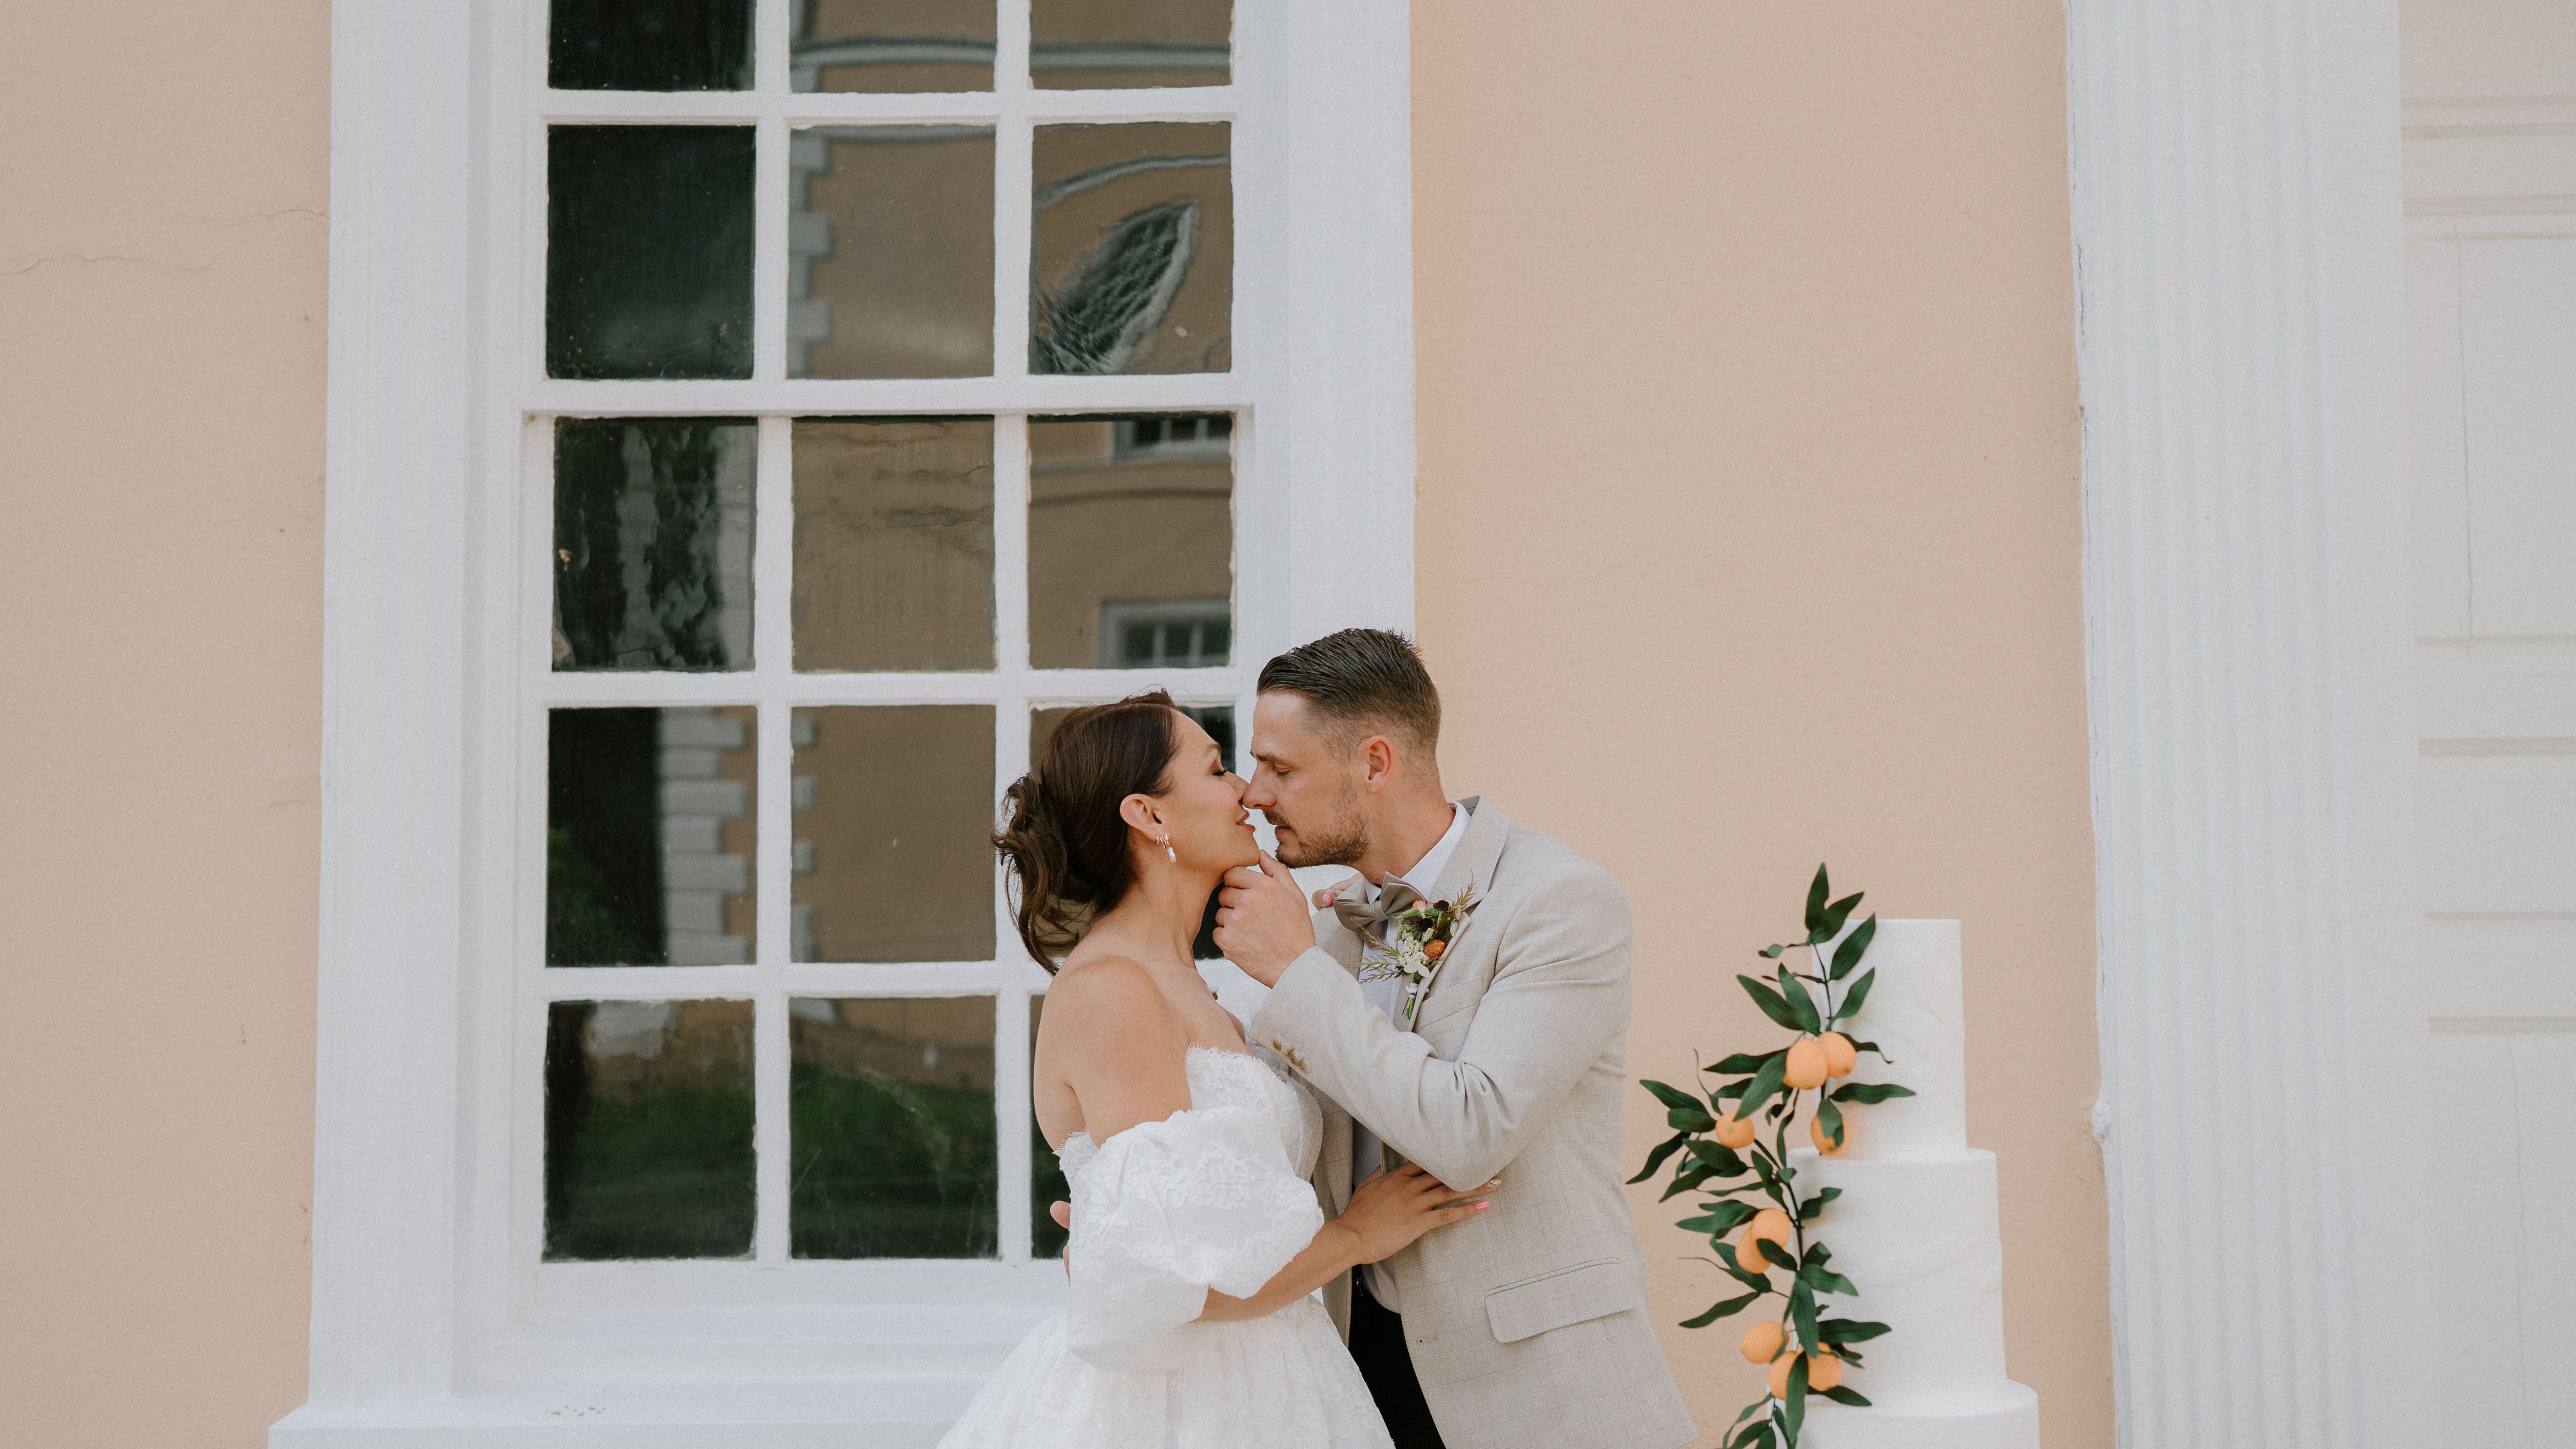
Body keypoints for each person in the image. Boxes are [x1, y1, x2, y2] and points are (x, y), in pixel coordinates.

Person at [939, 691, 1490, 1449]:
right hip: (1183, 1406)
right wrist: (1361, 1233)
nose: (1246, 792)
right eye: (1217, 769)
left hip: (1279, 1376)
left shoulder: (1202, 992)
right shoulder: (1112, 991)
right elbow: (1185, 1288)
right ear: (1148, 816)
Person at [1212, 629, 1697, 1449]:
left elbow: (1471, 1134)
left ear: (1374, 762)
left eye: (1281, 769)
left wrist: (1296, 973)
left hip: (1540, 1392)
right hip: (1357, 1376)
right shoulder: (1331, 935)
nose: (1254, 794)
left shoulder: (1560, 901)